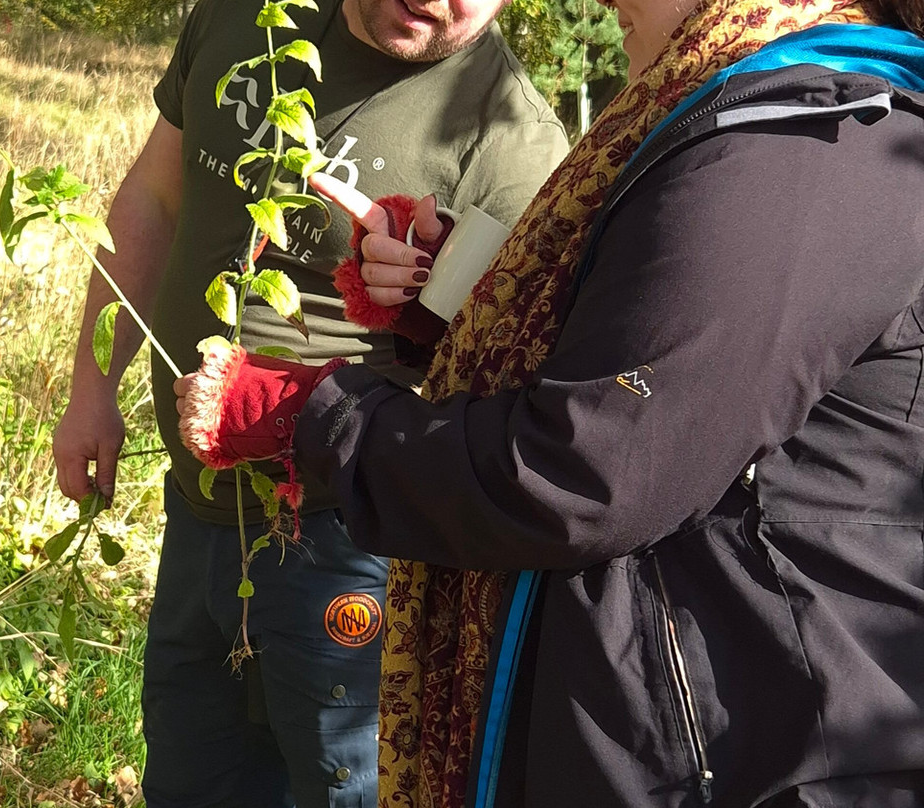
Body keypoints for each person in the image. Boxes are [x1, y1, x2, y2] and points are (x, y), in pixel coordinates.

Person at [176, 0, 924, 805]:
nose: (606, 3)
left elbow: (585, 469)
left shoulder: (800, 146)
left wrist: (310, 415)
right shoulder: (766, 111)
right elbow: (650, 365)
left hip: (738, 752)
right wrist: (457, 295)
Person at [52, 0, 568, 805]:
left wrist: (422, 300)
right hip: (195, 511)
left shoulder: (512, 143)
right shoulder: (246, 18)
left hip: (346, 547)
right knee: (193, 780)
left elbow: (510, 412)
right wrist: (93, 389)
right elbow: (155, 196)